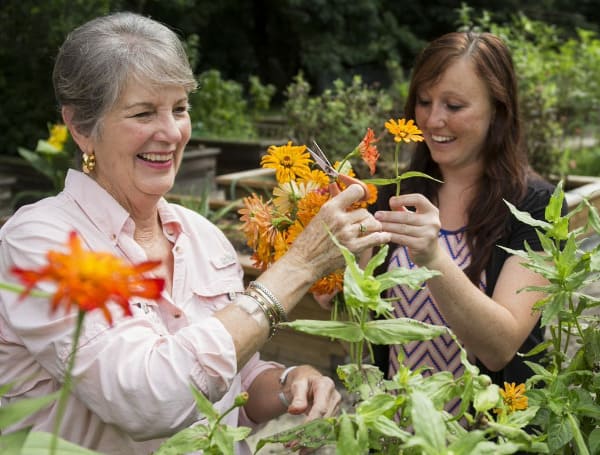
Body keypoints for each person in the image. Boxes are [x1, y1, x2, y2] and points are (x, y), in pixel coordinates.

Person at [0, 12, 390, 455]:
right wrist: (298, 266)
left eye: (180, 109)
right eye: (144, 112)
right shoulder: (42, 241)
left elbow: (232, 383)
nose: (171, 133)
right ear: (81, 128)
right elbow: (150, 401)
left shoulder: (201, 236)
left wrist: (286, 384)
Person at [370, 31, 565, 401]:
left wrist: (432, 256)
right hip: (394, 429)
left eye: (454, 106)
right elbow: (366, 310)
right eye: (424, 102)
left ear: (498, 109)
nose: (433, 120)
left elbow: (500, 347)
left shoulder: (535, 207)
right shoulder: (394, 192)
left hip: (485, 435)